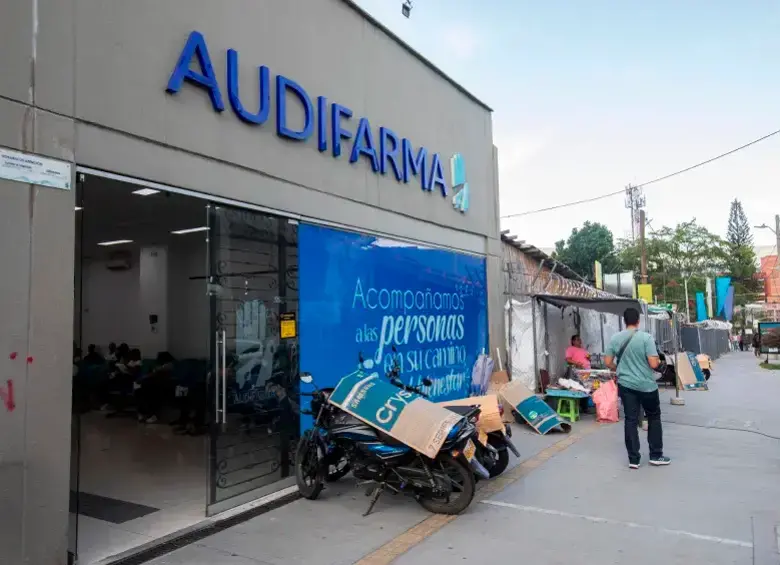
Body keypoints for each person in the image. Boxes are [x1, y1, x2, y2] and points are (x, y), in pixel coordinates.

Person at [605, 307, 670, 469]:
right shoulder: (646, 338)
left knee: (630, 420)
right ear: (638, 321)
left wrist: (619, 369)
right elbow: (653, 363)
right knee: (654, 418)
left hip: (626, 386)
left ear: (624, 321)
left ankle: (634, 459)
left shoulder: (615, 338)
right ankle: (656, 455)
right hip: (647, 386)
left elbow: (608, 362)